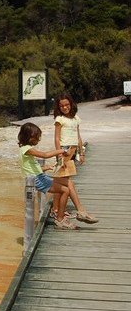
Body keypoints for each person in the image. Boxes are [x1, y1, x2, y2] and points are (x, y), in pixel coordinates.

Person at [18, 122, 76, 230]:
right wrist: (62, 151)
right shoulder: (27, 149)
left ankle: (60, 214)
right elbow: (45, 155)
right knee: (65, 191)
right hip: (37, 180)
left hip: (39, 177)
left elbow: (30, 168)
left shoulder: (25, 149)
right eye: (37, 137)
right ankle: (60, 219)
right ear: (30, 138)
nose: (39, 140)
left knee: (67, 185)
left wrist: (48, 168)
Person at [52, 94, 98, 224]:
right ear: (58, 107)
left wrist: (81, 152)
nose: (65, 107)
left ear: (71, 104)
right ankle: (79, 210)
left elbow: (78, 136)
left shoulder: (76, 118)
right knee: (64, 180)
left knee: (61, 180)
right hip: (64, 150)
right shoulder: (59, 119)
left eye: (67, 105)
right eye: (61, 106)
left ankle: (55, 209)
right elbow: (56, 138)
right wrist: (59, 154)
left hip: (73, 150)